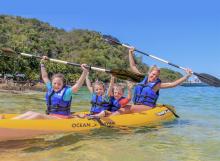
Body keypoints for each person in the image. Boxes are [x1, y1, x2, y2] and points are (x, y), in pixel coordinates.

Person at [11, 56, 89, 119]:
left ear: (63, 84)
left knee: (37, 116)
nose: (56, 85)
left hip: (61, 118)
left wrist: (84, 72)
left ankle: (12, 126)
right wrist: (42, 64)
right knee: (29, 113)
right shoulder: (50, 88)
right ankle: (10, 122)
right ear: (52, 83)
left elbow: (78, 85)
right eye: (54, 83)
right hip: (51, 116)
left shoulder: (66, 92)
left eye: (59, 84)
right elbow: (44, 77)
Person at [128, 47, 192, 113]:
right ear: (149, 73)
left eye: (156, 76)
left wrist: (187, 76)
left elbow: (173, 84)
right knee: (120, 105)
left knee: (126, 108)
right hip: (136, 105)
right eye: (153, 74)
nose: (154, 77)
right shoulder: (141, 79)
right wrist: (130, 53)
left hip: (147, 107)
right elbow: (133, 66)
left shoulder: (157, 85)